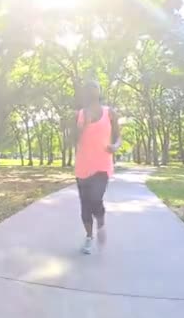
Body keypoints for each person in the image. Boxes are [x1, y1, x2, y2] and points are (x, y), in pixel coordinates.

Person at [75, 80, 121, 254]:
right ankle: (88, 237)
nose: (92, 91)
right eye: (89, 88)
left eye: (95, 88)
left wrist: (115, 146)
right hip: (82, 166)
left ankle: (100, 225)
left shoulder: (110, 113)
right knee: (85, 205)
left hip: (102, 166)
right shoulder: (79, 114)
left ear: (99, 92)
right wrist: (83, 124)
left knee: (96, 199)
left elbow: (118, 137)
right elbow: (74, 140)